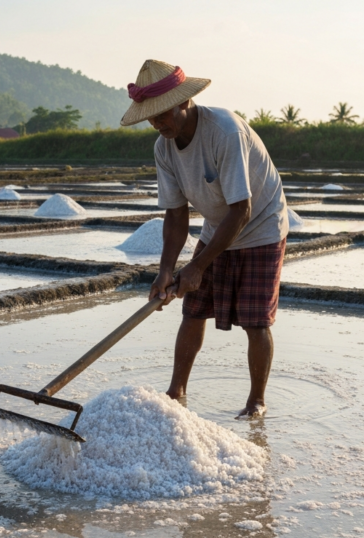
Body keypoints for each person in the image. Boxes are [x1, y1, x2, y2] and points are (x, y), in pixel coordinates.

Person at [120, 59, 289, 418]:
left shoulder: (224, 132)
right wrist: (167, 269)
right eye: (150, 117)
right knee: (192, 309)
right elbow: (176, 213)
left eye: (162, 114)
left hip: (260, 225)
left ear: (184, 102)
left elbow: (241, 210)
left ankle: (256, 400)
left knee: (256, 320)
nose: (157, 123)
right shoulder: (163, 148)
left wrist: (197, 265)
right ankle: (175, 389)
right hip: (218, 226)